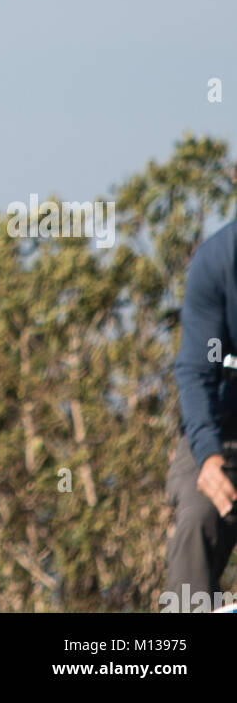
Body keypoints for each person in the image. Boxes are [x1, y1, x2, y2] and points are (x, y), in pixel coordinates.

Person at [165, 218, 237, 611]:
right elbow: (196, 371)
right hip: (221, 436)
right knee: (195, 520)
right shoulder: (216, 260)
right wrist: (209, 458)